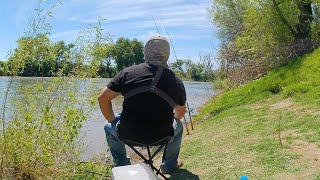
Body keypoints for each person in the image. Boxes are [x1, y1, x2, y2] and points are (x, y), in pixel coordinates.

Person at [98, 35, 186, 174]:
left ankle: (122, 164)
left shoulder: (127, 73)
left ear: (145, 52)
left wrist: (112, 120)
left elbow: (103, 98)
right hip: (162, 136)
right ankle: (169, 165)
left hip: (127, 135)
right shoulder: (176, 81)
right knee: (179, 126)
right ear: (167, 55)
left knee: (108, 125)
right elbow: (179, 115)